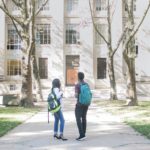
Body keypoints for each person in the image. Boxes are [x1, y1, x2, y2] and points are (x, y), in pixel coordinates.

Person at [75, 72, 89, 141]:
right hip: (86, 103)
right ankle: (84, 133)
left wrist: (76, 94)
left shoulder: (78, 85)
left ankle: (82, 134)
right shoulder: (86, 84)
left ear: (78, 77)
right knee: (84, 118)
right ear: (83, 77)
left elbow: (76, 95)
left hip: (79, 104)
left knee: (78, 118)